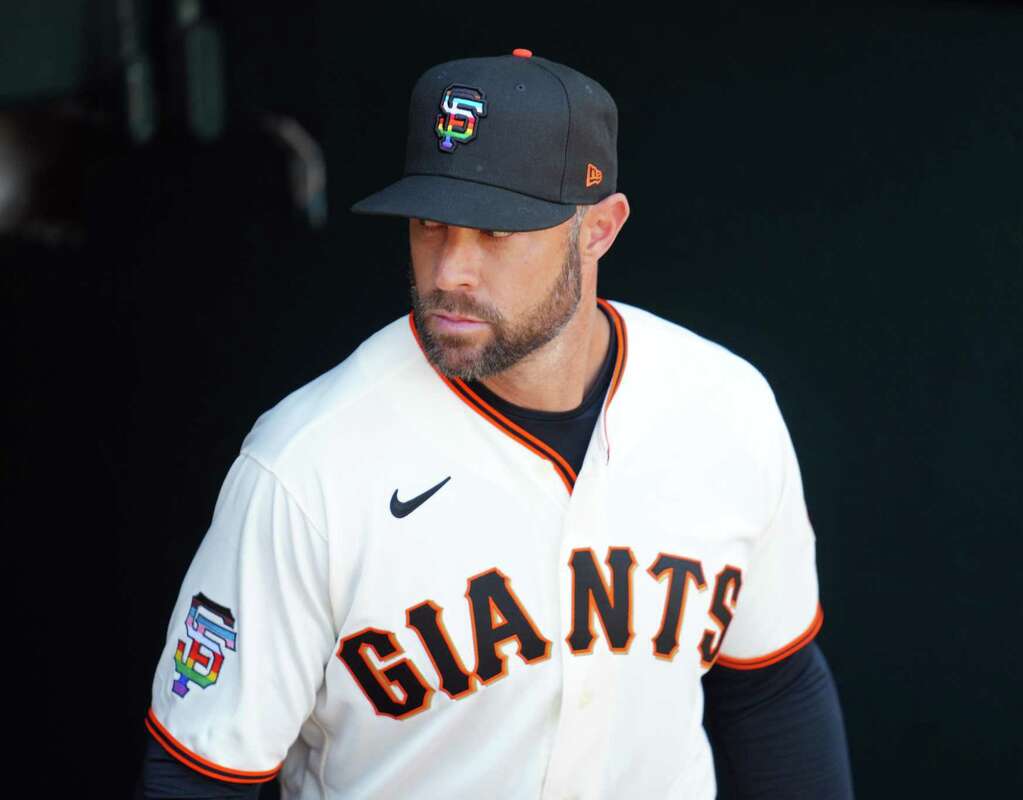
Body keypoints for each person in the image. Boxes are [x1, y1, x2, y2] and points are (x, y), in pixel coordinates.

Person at [136, 50, 854, 799]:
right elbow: (199, 776)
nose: (449, 270)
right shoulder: (305, 467)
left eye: (496, 232)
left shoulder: (725, 410)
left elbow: (771, 690)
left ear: (598, 230)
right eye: (429, 223)